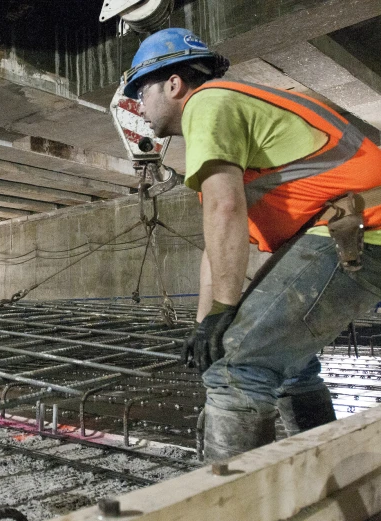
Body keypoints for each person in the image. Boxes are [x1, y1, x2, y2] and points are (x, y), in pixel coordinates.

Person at [122, 28, 381, 461]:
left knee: (236, 366)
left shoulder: (208, 103)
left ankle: (227, 501)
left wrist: (224, 320)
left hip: (360, 230)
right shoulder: (231, 115)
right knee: (288, 365)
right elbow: (219, 238)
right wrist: (206, 324)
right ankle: (319, 480)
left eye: (141, 92)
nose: (139, 108)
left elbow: (224, 209)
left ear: (173, 84)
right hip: (349, 230)